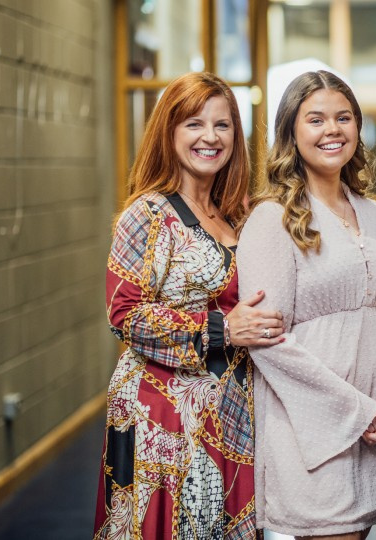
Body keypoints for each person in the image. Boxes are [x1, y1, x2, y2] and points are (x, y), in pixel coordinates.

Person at [94, 72, 285, 539]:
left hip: (231, 409)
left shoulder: (237, 214)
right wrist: (220, 330)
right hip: (164, 414)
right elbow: (124, 315)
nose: (210, 137)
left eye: (222, 126)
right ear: (169, 131)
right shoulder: (149, 213)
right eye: (194, 124)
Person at [237, 71, 376, 539]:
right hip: (309, 425)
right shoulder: (272, 219)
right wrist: (353, 408)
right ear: (291, 131)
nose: (333, 130)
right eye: (316, 119)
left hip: (370, 425)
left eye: (344, 117)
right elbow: (267, 341)